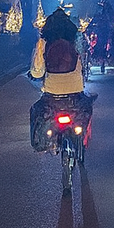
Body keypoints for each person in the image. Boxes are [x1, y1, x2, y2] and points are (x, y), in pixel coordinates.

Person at [29, 8, 93, 150]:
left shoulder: (43, 43)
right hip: (75, 91)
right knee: (87, 106)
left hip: (52, 93)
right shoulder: (77, 40)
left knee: (35, 110)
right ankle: (82, 139)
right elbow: (85, 62)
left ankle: (42, 144)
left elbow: (37, 72)